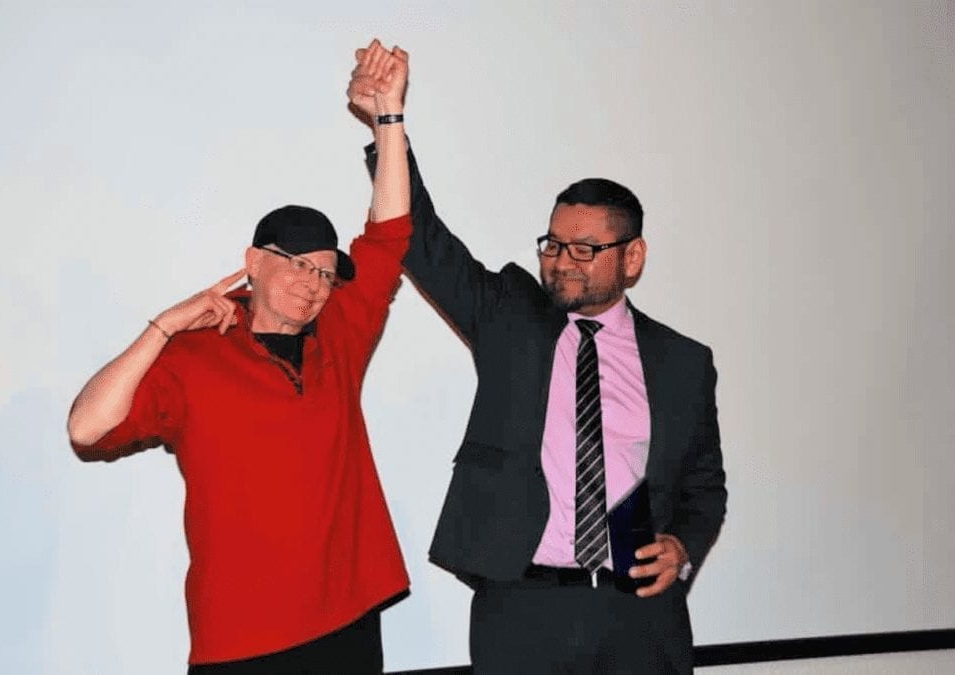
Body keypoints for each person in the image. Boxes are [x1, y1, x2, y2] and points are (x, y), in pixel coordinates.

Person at [348, 42, 727, 673]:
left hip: (639, 616)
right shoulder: (511, 317)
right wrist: (389, 123)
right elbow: (424, 241)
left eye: (584, 249)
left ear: (631, 258)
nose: (559, 261)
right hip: (521, 607)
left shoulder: (684, 362)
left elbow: (704, 485)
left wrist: (684, 545)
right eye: (552, 243)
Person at [67, 46, 411, 673]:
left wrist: (388, 119)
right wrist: (163, 327)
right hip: (241, 636)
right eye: (298, 263)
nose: (312, 284)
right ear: (253, 262)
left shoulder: (340, 333)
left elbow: (389, 234)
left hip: (347, 617)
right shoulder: (193, 358)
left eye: (326, 273)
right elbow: (86, 429)